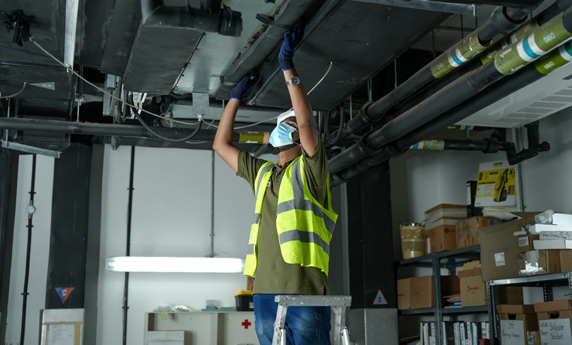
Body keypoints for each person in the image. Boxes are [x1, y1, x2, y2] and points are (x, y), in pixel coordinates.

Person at [213, 27, 338, 345]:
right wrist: (233, 100)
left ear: (298, 135)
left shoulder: (310, 170)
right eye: (282, 124)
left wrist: (288, 67)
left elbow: (307, 122)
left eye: (289, 124)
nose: (282, 129)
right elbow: (221, 145)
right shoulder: (263, 174)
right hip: (264, 293)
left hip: (304, 292)